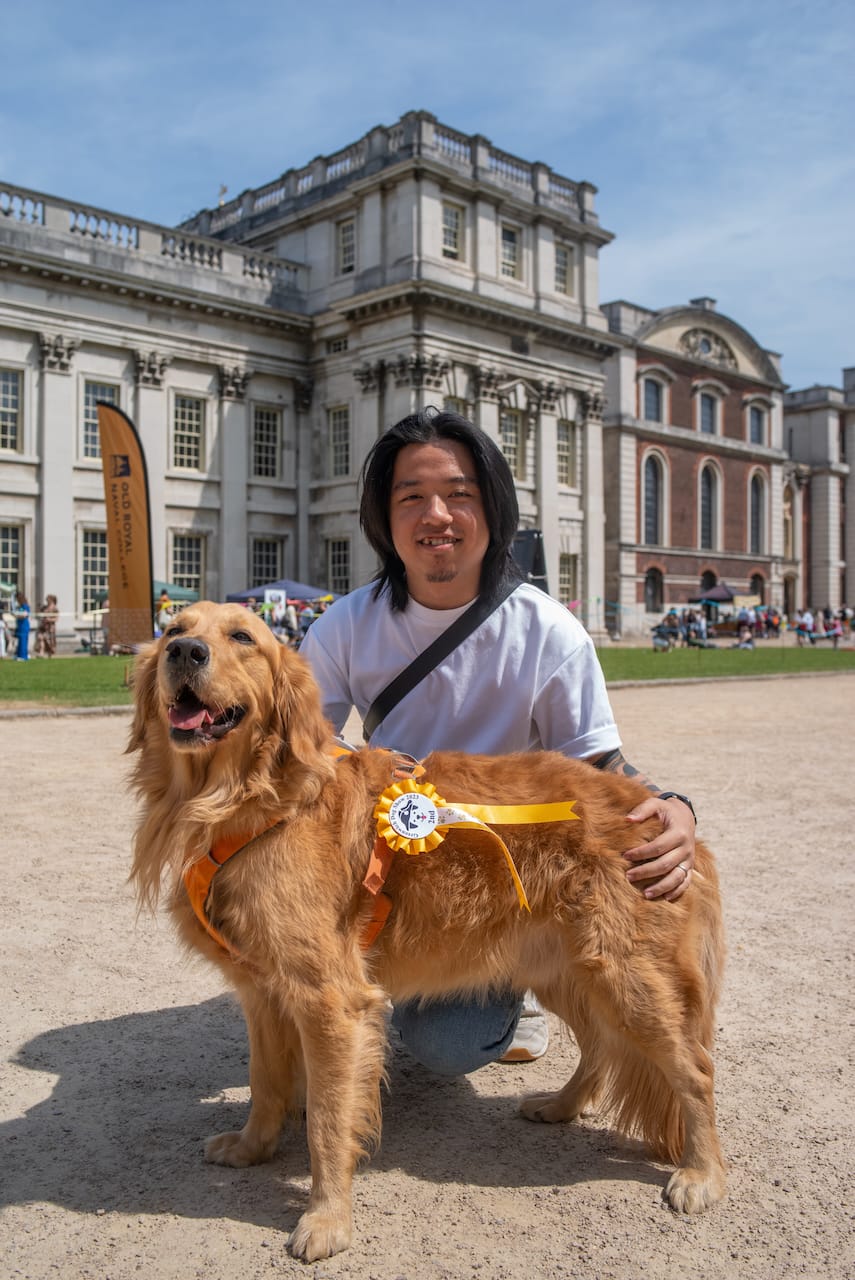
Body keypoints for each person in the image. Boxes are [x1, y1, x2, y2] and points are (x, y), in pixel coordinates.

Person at [300, 408, 697, 1075]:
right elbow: (300, 741)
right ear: (383, 518)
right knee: (302, 991)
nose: (437, 515)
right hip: (391, 866)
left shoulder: (548, 631)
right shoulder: (344, 626)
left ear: (492, 510)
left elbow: (599, 763)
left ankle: (522, 976)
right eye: (411, 498)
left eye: (460, 495)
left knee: (441, 1046)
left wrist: (674, 804)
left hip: (499, 884)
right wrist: (358, 761)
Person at [14, 593, 31, 660]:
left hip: (24, 625)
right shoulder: (20, 606)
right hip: (20, 625)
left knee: (23, 641)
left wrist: (16, 615)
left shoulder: (25, 606)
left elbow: (25, 615)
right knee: (20, 641)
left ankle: (23, 656)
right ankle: (19, 655)